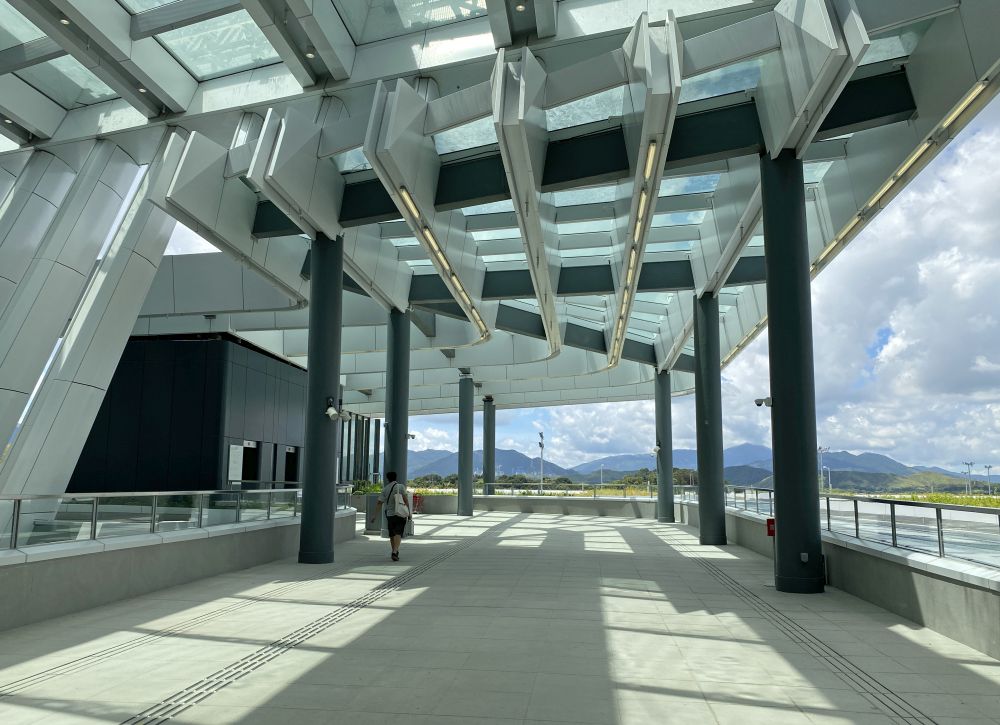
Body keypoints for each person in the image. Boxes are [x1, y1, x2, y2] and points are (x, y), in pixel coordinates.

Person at [371, 471, 410, 561]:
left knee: (392, 534)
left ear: (387, 478)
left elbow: (379, 503)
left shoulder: (385, 489)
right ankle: (395, 551)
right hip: (400, 513)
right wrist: (409, 513)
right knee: (398, 533)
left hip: (390, 514)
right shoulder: (401, 487)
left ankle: (394, 550)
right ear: (396, 477)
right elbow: (406, 500)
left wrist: (374, 515)